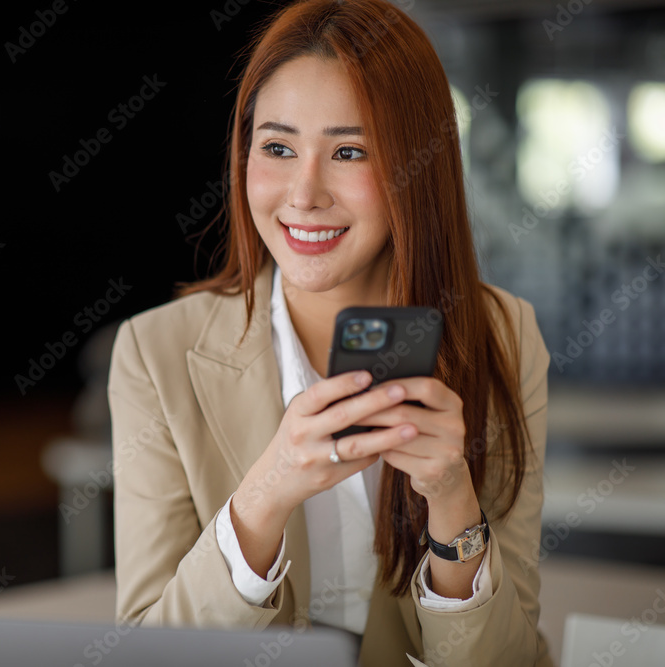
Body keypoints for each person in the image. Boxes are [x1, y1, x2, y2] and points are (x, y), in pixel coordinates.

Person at [107, 0, 552, 665]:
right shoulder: (156, 352)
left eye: (349, 151)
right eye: (278, 147)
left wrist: (451, 498)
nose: (304, 193)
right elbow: (148, 655)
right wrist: (268, 489)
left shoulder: (504, 334)